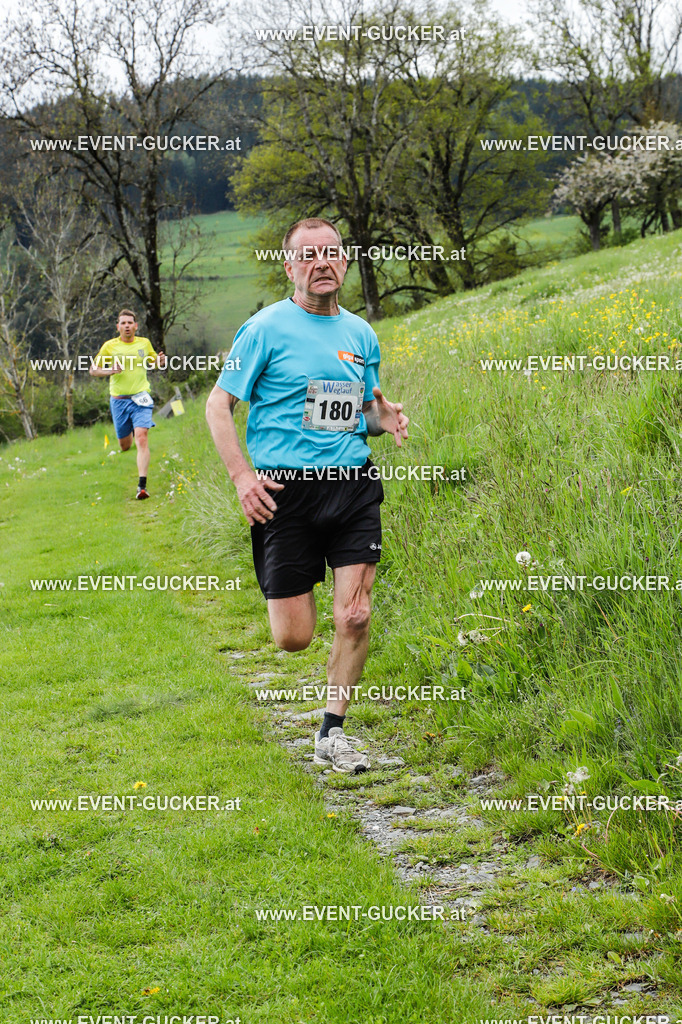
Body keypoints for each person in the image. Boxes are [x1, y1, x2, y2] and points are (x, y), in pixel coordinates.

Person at [206, 218, 408, 774]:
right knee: (294, 638)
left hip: (352, 488)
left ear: (344, 263)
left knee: (357, 616)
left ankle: (333, 733)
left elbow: (357, 412)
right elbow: (217, 405)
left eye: (332, 254)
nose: (323, 263)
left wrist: (382, 419)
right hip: (284, 494)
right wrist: (243, 479)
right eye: (309, 255)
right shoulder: (264, 328)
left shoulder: (361, 333)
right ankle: (296, 619)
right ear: (290, 266)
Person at [90, 310, 166, 499]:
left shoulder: (144, 343)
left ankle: (142, 486)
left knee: (142, 437)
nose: (126, 326)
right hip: (119, 401)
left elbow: (154, 362)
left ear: (135, 326)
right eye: (123, 323)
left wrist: (160, 361)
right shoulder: (109, 347)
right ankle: (130, 431)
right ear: (118, 327)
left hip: (141, 397)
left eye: (130, 322)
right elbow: (93, 370)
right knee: (125, 445)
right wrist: (109, 371)